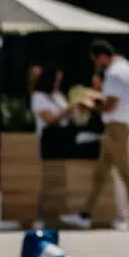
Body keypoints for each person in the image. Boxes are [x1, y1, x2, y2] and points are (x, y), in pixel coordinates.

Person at [71, 38, 129, 231]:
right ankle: (84, 215)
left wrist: (88, 104)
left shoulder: (115, 73)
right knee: (101, 173)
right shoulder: (126, 67)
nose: (96, 65)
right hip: (117, 127)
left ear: (103, 56)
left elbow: (109, 106)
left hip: (116, 128)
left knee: (126, 174)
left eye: (96, 60)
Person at [30, 65, 72, 227]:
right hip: (47, 141)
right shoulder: (38, 97)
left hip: (62, 139)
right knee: (46, 180)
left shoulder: (57, 96)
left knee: (58, 179)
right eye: (56, 80)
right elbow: (49, 119)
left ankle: (57, 214)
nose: (57, 84)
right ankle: (41, 216)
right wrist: (67, 109)